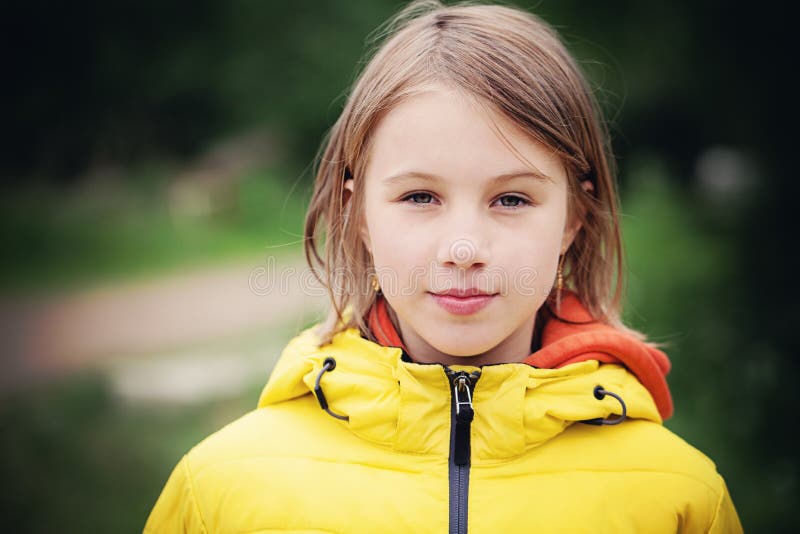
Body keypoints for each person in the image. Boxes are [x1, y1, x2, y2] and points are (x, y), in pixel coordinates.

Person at [144, 1, 743, 532]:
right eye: (419, 197)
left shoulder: (677, 500)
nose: (463, 248)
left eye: (511, 199)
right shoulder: (221, 494)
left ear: (571, 219)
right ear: (357, 215)